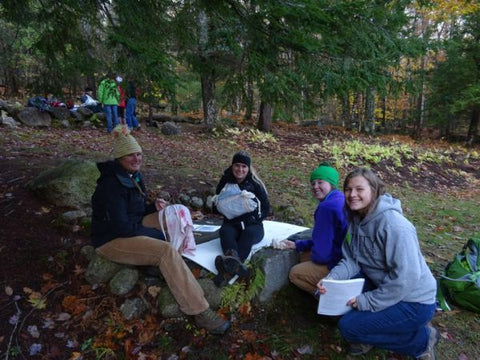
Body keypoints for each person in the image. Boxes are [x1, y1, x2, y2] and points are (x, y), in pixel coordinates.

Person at [91, 125, 230, 334]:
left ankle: (172, 263)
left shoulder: (132, 176)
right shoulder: (111, 185)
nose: (136, 158)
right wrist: (154, 235)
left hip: (129, 227)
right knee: (164, 250)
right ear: (120, 157)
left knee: (173, 213)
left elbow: (134, 213)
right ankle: (199, 309)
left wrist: (152, 208)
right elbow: (119, 225)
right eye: (131, 155)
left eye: (138, 154)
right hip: (111, 240)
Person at [316, 168, 438, 359]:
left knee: (348, 327)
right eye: (348, 189)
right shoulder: (356, 219)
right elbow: (351, 261)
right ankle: (371, 333)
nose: (352, 194)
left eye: (359, 189)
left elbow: (406, 279)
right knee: (342, 293)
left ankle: (422, 340)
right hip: (386, 285)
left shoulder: (394, 225)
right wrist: (331, 280)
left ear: (374, 190)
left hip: (415, 301)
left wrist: (368, 301)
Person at [280, 163, 348, 297]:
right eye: (313, 183)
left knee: (295, 274)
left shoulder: (327, 208)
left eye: (320, 182)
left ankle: (328, 301)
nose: (315, 187)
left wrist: (314, 259)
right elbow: (325, 238)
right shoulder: (340, 198)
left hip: (338, 263)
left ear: (331, 183)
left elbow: (322, 253)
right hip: (345, 255)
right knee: (304, 255)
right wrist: (297, 244)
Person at [213, 151, 270, 286]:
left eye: (244, 166)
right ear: (232, 166)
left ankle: (225, 270)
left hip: (253, 225)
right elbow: (217, 204)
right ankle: (235, 265)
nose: (240, 169)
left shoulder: (255, 184)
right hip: (232, 223)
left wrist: (252, 218)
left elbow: (266, 208)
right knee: (225, 232)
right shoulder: (225, 181)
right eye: (237, 165)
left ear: (248, 168)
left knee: (248, 234)